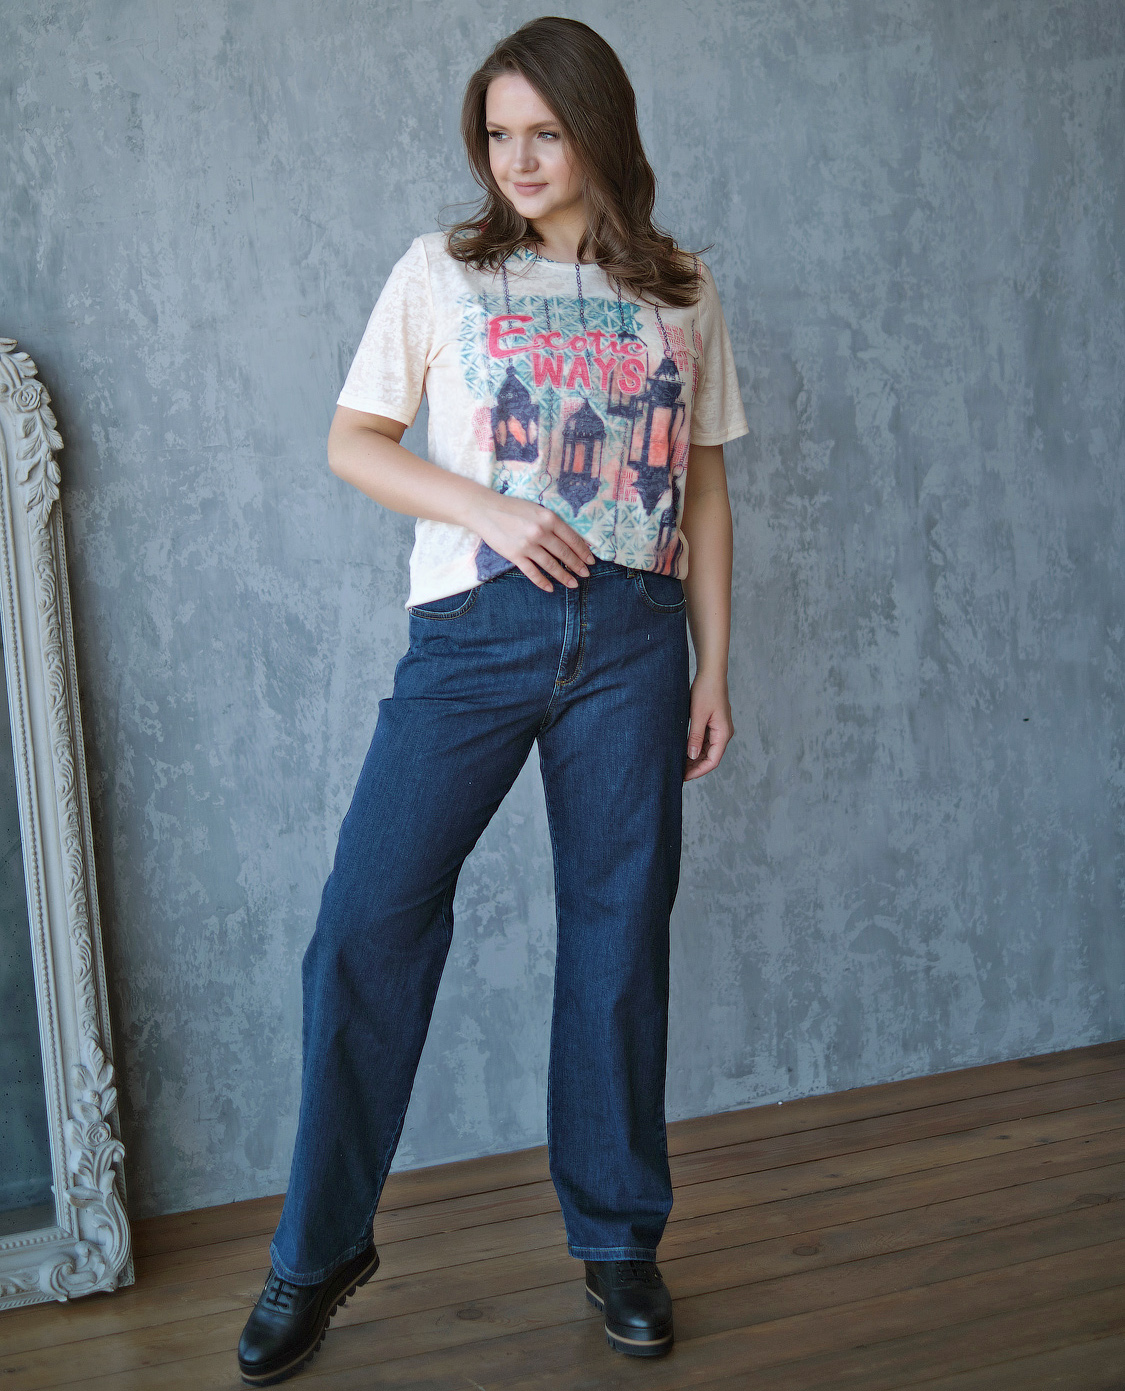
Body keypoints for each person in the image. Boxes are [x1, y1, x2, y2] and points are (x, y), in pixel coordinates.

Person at [237, 15, 748, 1386]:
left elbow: (703, 484)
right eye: (496, 134)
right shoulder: (442, 271)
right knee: (367, 922)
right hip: (474, 631)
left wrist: (715, 666)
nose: (516, 159)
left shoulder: (683, 289)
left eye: (544, 132)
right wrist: (491, 510)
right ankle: (317, 1250)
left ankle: (618, 1239)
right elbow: (354, 442)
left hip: (636, 640)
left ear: (598, 131)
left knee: (617, 937)